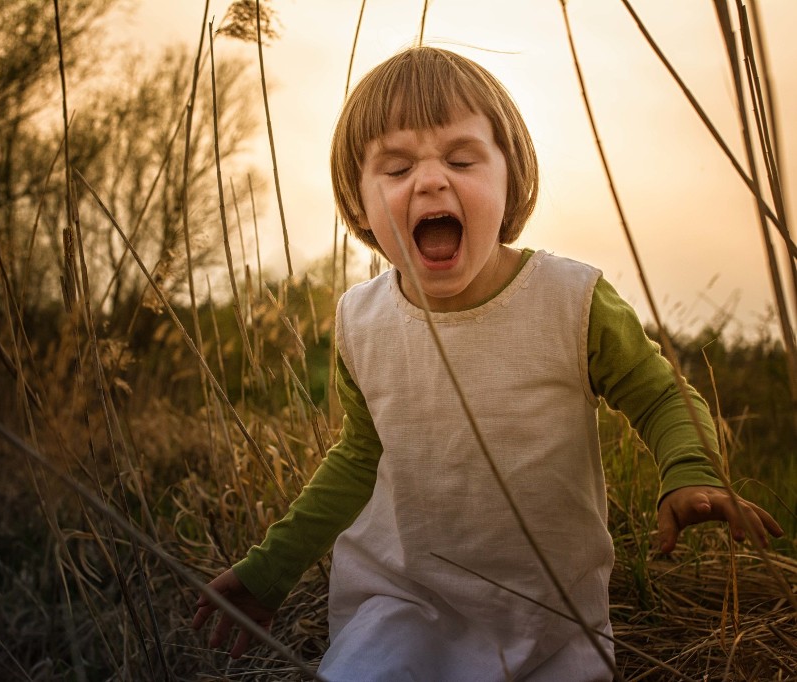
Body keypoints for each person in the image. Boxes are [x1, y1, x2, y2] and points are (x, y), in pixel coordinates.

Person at [192, 46, 783, 680]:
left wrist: (690, 471)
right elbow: (360, 458)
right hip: (400, 602)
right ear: (360, 206)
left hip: (554, 616)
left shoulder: (570, 299)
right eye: (395, 168)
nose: (429, 180)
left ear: (511, 181)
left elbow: (659, 396)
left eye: (461, 159)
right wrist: (270, 570)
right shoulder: (361, 321)